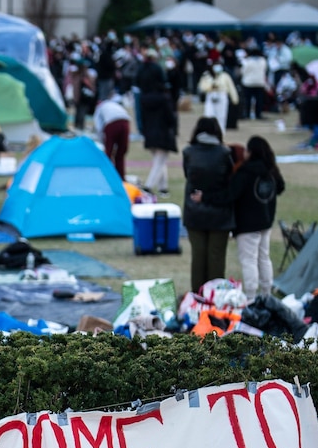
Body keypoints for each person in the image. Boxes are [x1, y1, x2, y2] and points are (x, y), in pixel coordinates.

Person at [194, 135, 285, 298]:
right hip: (266, 222)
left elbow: (229, 195)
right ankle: (266, 294)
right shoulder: (271, 170)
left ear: (250, 152)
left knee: (249, 261)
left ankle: (251, 297)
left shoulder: (245, 172)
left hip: (248, 225)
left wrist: (205, 197)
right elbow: (280, 188)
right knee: (264, 258)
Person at [182, 117, 236, 292]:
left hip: (194, 212)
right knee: (216, 258)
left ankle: (197, 298)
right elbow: (229, 179)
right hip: (220, 212)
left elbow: (187, 175)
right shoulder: (224, 153)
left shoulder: (188, 152)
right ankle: (214, 298)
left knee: (198, 258)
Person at [137, 50, 177, 195]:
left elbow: (141, 118)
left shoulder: (143, 99)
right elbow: (170, 118)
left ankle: (163, 188)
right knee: (159, 162)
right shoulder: (164, 98)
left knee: (159, 160)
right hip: (163, 133)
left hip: (150, 132)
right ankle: (148, 186)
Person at [92, 91, 132, 179]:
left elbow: (98, 126)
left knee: (108, 153)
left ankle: (107, 176)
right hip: (125, 122)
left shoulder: (99, 107)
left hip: (111, 123)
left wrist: (102, 140)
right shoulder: (114, 104)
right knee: (120, 153)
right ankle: (121, 177)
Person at [197, 62, 239, 132]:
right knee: (209, 114)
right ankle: (209, 131)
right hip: (211, 95)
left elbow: (231, 88)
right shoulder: (206, 75)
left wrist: (235, 99)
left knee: (221, 116)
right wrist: (210, 87)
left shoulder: (225, 76)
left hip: (222, 95)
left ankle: (221, 132)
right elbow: (202, 87)